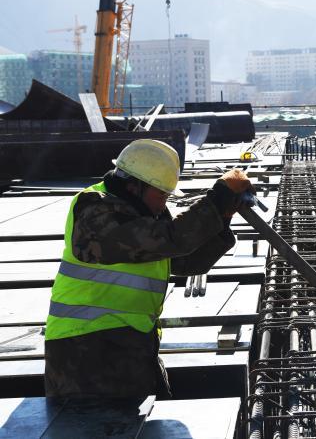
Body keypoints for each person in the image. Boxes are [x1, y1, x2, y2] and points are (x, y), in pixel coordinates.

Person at [44, 139, 255, 398]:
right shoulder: (94, 210)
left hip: (131, 346)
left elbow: (185, 260)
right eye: (161, 194)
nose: (162, 203)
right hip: (84, 352)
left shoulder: (145, 214)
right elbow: (170, 238)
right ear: (135, 186)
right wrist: (217, 200)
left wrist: (222, 217)